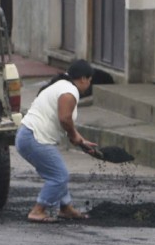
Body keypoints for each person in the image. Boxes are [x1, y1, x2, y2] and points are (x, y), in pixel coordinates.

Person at [14, 59, 99, 223]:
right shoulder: (69, 91)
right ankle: (38, 210)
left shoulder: (60, 85)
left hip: (28, 135)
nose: (89, 84)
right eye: (89, 80)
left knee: (55, 172)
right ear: (83, 78)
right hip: (34, 138)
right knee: (60, 176)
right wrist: (74, 136)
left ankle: (65, 208)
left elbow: (63, 121)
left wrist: (80, 140)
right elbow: (65, 119)